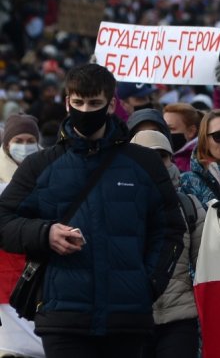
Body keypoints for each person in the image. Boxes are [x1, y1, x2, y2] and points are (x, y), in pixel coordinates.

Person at [0, 63, 185, 357]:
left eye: (95, 102)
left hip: (127, 318)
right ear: (67, 102)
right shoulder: (41, 165)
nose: (86, 110)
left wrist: (147, 284)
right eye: (79, 102)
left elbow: (170, 229)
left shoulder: (144, 164)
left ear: (111, 104)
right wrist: (44, 233)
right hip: (63, 318)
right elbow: (4, 222)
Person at [130, 130, 204, 358]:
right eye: (146, 155)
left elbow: (206, 263)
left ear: (171, 160)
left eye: (161, 155)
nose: (155, 163)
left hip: (179, 320)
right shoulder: (115, 205)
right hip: (131, 320)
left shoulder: (189, 205)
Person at [0, 114, 44, 357]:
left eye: (30, 139)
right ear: (7, 143)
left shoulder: (48, 170)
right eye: (19, 139)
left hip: (37, 271)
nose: (25, 145)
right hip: (5, 273)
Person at [163, 103, 202, 172]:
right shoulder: (166, 155)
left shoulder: (197, 162)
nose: (164, 132)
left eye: (171, 129)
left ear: (191, 131)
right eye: (163, 127)